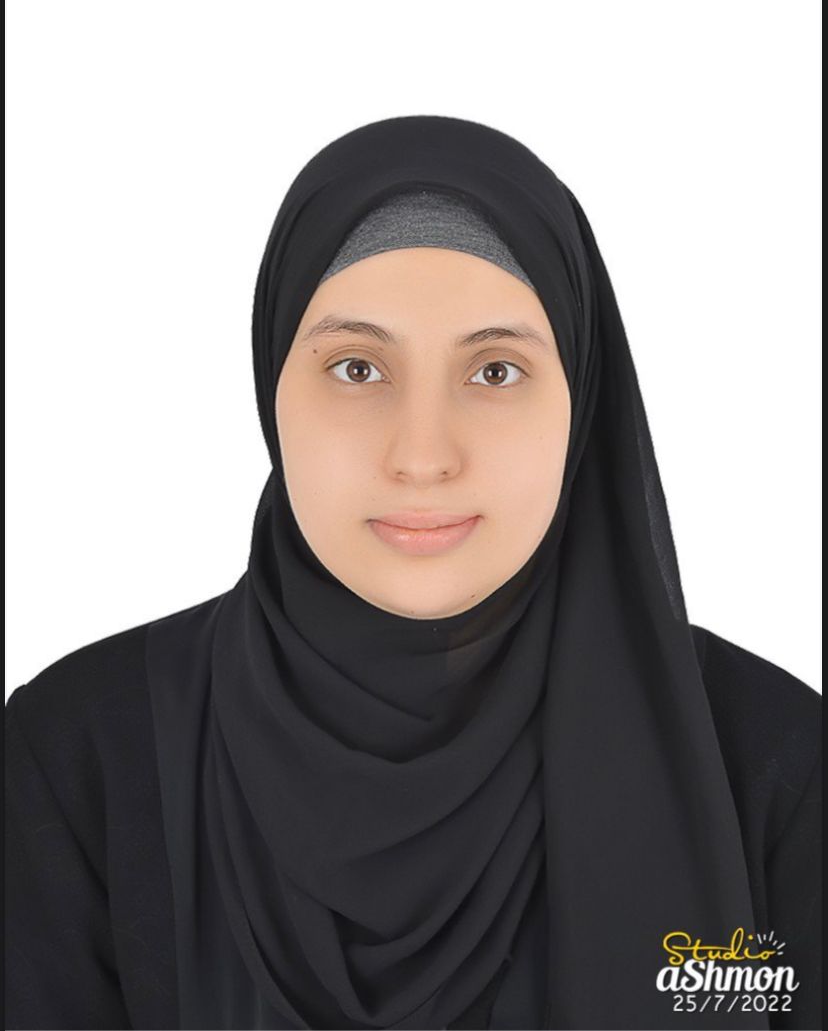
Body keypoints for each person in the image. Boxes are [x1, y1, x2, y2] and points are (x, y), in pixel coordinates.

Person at [5, 115, 821, 1031]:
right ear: (272, 388)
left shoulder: (773, 771)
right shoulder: (80, 758)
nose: (423, 455)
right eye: (358, 367)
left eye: (495, 371)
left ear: (580, 399)